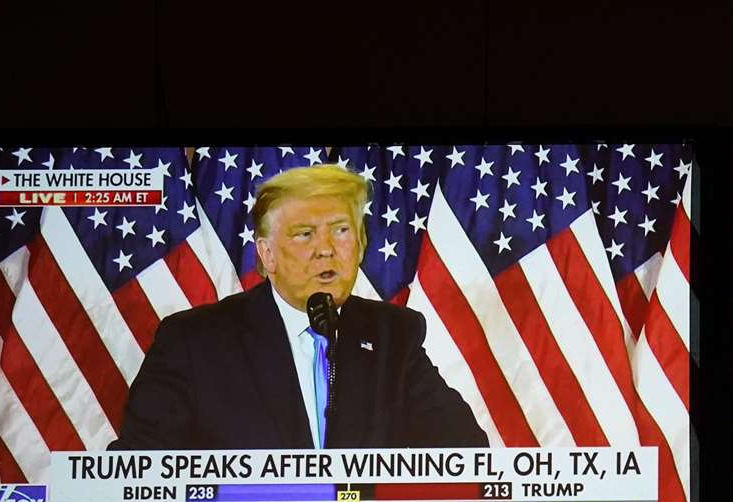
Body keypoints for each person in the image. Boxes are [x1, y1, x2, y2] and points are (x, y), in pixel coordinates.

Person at [111, 164, 487, 450]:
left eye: (341, 230)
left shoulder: (393, 335)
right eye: (305, 234)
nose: (326, 249)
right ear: (267, 254)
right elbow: (135, 475)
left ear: (359, 244)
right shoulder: (195, 342)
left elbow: (465, 454)